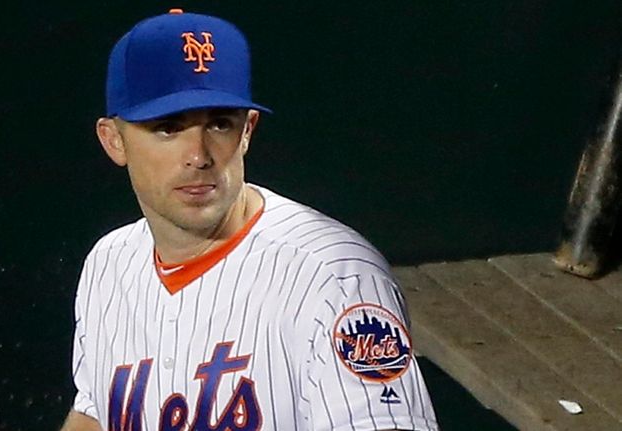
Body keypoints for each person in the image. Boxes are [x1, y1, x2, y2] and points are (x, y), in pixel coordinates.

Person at [61, 9, 438, 431]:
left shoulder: (334, 277)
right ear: (113, 140)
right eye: (168, 128)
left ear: (247, 131)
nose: (199, 155)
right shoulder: (107, 266)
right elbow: (94, 412)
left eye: (220, 124)